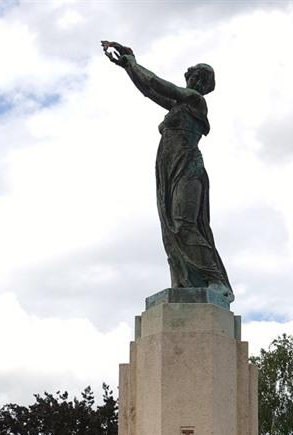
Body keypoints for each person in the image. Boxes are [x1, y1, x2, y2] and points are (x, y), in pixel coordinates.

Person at [101, 40, 233, 301]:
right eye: (194, 73)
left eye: (201, 76)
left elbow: (158, 84)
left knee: (185, 224)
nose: (195, 77)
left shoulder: (194, 100)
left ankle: (216, 281)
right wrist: (128, 67)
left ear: (205, 85)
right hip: (168, 165)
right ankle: (183, 282)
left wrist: (133, 62)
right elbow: (149, 91)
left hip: (188, 165)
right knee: (170, 229)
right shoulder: (178, 106)